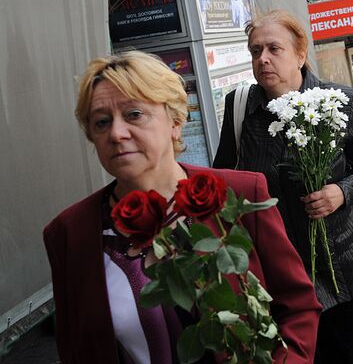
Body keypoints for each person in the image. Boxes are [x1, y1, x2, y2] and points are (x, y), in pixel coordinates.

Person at [43, 51, 321, 364]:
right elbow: (75, 347)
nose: (116, 133)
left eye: (134, 114)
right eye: (101, 122)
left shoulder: (241, 192)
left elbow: (297, 304)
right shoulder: (70, 233)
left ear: (175, 122)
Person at [212, 10, 353, 362]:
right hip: (283, 286)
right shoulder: (240, 108)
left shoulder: (341, 101)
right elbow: (223, 180)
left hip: (349, 275)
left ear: (300, 55)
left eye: (274, 49)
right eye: (255, 51)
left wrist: (341, 192)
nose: (262, 59)